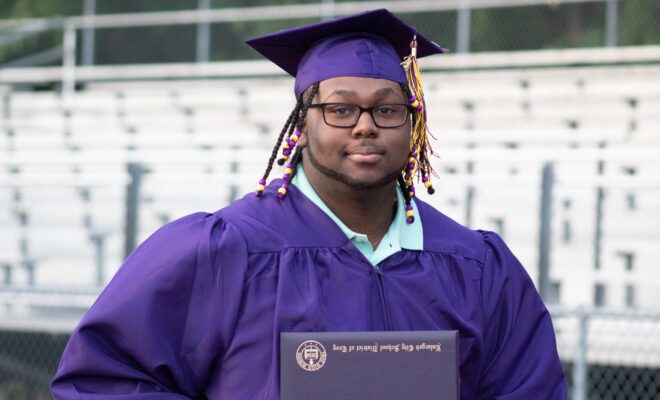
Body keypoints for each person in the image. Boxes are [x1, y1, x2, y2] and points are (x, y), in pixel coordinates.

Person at [51, 9, 567, 399]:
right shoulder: (224, 252)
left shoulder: (477, 268)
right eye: (340, 108)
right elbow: (104, 380)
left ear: (413, 126)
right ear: (303, 124)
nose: (365, 125)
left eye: (387, 109)